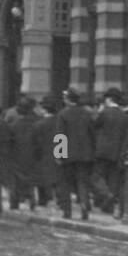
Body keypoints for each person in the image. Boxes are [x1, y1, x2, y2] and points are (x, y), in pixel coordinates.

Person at [54, 88, 96, 220]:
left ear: (68, 99)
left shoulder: (63, 114)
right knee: (82, 182)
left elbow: (60, 136)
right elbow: (92, 134)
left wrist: (59, 155)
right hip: (85, 154)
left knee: (65, 183)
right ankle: (84, 205)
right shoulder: (87, 114)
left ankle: (67, 211)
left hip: (68, 155)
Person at [92, 88, 128, 216]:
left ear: (109, 99)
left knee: (96, 177)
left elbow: (95, 126)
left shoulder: (104, 113)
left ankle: (106, 194)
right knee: (113, 179)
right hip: (117, 152)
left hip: (102, 151)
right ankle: (109, 206)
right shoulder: (125, 116)